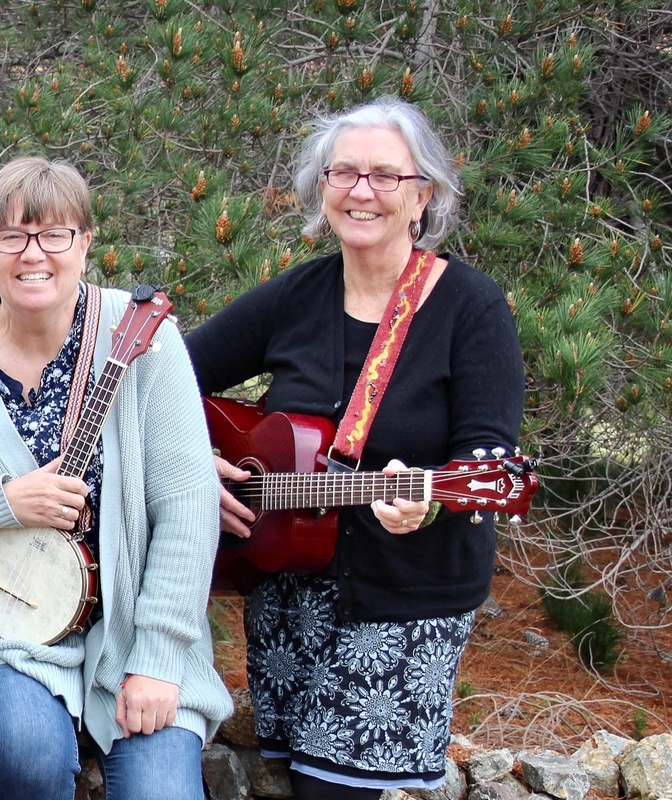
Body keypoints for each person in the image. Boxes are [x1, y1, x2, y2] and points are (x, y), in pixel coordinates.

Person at [184, 96, 525, 799]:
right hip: (286, 593)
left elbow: (488, 456)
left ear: (422, 195)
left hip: (406, 597)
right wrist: (195, 463)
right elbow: (165, 376)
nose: (361, 191)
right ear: (322, 188)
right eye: (344, 173)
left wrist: (428, 503)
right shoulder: (296, 295)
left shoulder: (470, 307)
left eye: (385, 176)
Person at [0, 156, 231, 800]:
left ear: (86, 244)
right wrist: (1, 504)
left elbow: (188, 508)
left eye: (55, 235)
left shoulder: (146, 343)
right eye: (11, 236)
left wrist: (157, 658)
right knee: (26, 754)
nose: (32, 254)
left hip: (131, 628)